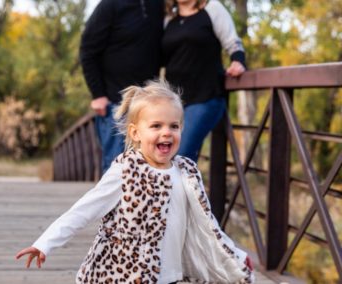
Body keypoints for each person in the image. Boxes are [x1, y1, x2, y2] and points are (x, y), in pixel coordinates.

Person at [16, 80, 254, 283]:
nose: (166, 133)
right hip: (126, 275)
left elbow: (207, 224)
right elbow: (83, 210)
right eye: (156, 126)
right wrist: (44, 243)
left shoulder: (187, 172)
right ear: (135, 133)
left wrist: (235, 256)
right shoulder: (126, 170)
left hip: (170, 275)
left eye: (174, 126)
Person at [80, 0, 164, 173]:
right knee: (115, 169)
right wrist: (98, 95)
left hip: (148, 105)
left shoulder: (157, 5)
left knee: (145, 170)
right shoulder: (109, 5)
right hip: (115, 103)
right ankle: (111, 202)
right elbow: (87, 50)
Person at [162, 0, 246, 162]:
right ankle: (188, 187)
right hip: (172, 102)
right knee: (169, 158)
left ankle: (180, 187)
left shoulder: (212, 8)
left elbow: (232, 41)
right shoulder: (168, 19)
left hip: (206, 96)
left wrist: (238, 61)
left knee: (178, 155)